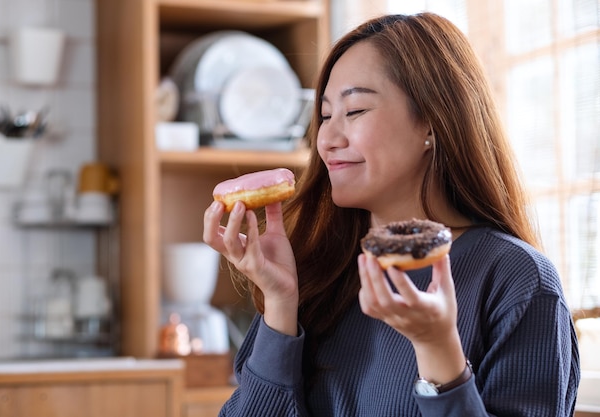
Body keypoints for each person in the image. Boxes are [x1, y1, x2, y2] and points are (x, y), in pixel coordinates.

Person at [203, 12, 580, 417]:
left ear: (432, 123)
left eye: (355, 111)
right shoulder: (317, 271)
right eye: (326, 116)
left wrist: (437, 350)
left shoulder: (517, 280)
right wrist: (280, 303)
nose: (327, 139)